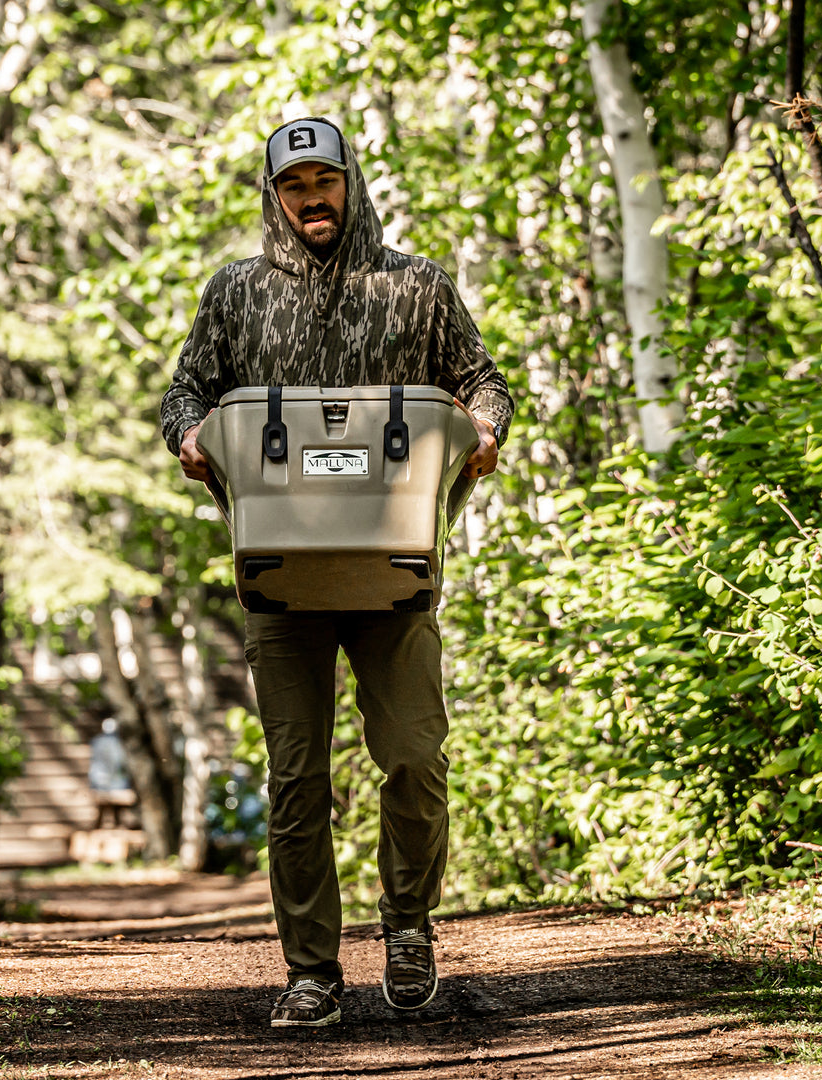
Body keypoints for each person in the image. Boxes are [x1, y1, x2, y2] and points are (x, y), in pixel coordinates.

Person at [161, 116, 514, 1027]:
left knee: (412, 760)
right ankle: (311, 970)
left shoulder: (416, 285)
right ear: (274, 197)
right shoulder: (235, 294)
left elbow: (484, 380)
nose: (312, 198)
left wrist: (484, 431)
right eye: (295, 186)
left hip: (394, 570)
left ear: (350, 183)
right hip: (281, 576)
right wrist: (190, 438)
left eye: (326, 181)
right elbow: (184, 392)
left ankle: (407, 924)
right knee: (296, 777)